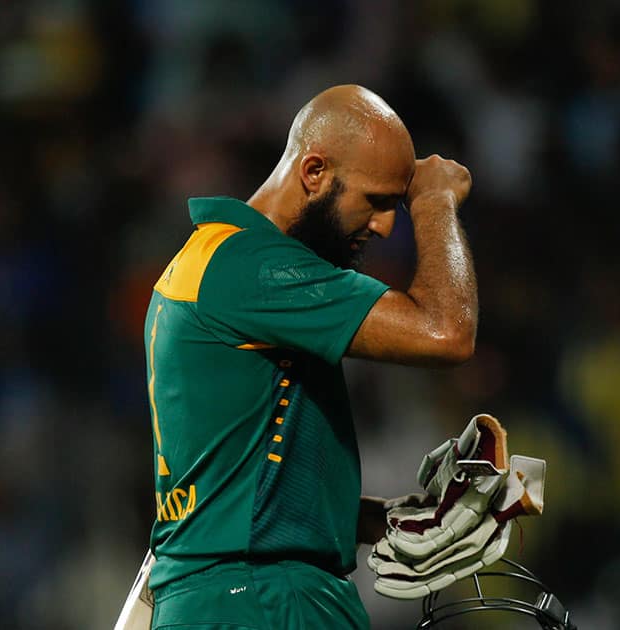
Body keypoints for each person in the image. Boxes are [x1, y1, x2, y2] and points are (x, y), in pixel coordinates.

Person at [143, 84, 476, 629]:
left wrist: (388, 520)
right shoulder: (253, 267)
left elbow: (239, 491)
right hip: (265, 601)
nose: (388, 225)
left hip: (221, 599)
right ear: (314, 171)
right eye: (376, 201)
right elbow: (446, 332)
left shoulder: (208, 263)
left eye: (397, 205)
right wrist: (433, 202)